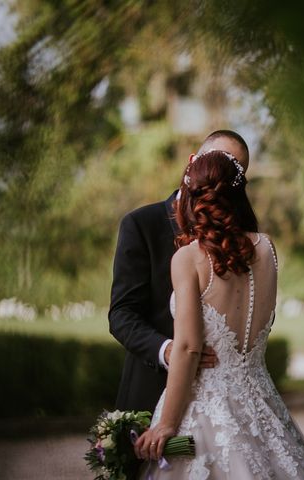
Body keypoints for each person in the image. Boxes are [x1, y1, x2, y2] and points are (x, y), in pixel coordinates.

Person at [134, 149, 304, 479]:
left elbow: (189, 347)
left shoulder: (188, 258)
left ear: (191, 197)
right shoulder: (266, 248)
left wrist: (166, 425)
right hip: (261, 400)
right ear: (238, 195)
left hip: (205, 408)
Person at [109, 130, 250, 413]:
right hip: (152, 390)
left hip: (223, 402)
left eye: (233, 170)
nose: (220, 177)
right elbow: (122, 314)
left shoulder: (244, 238)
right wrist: (170, 351)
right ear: (192, 162)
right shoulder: (141, 224)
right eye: (216, 161)